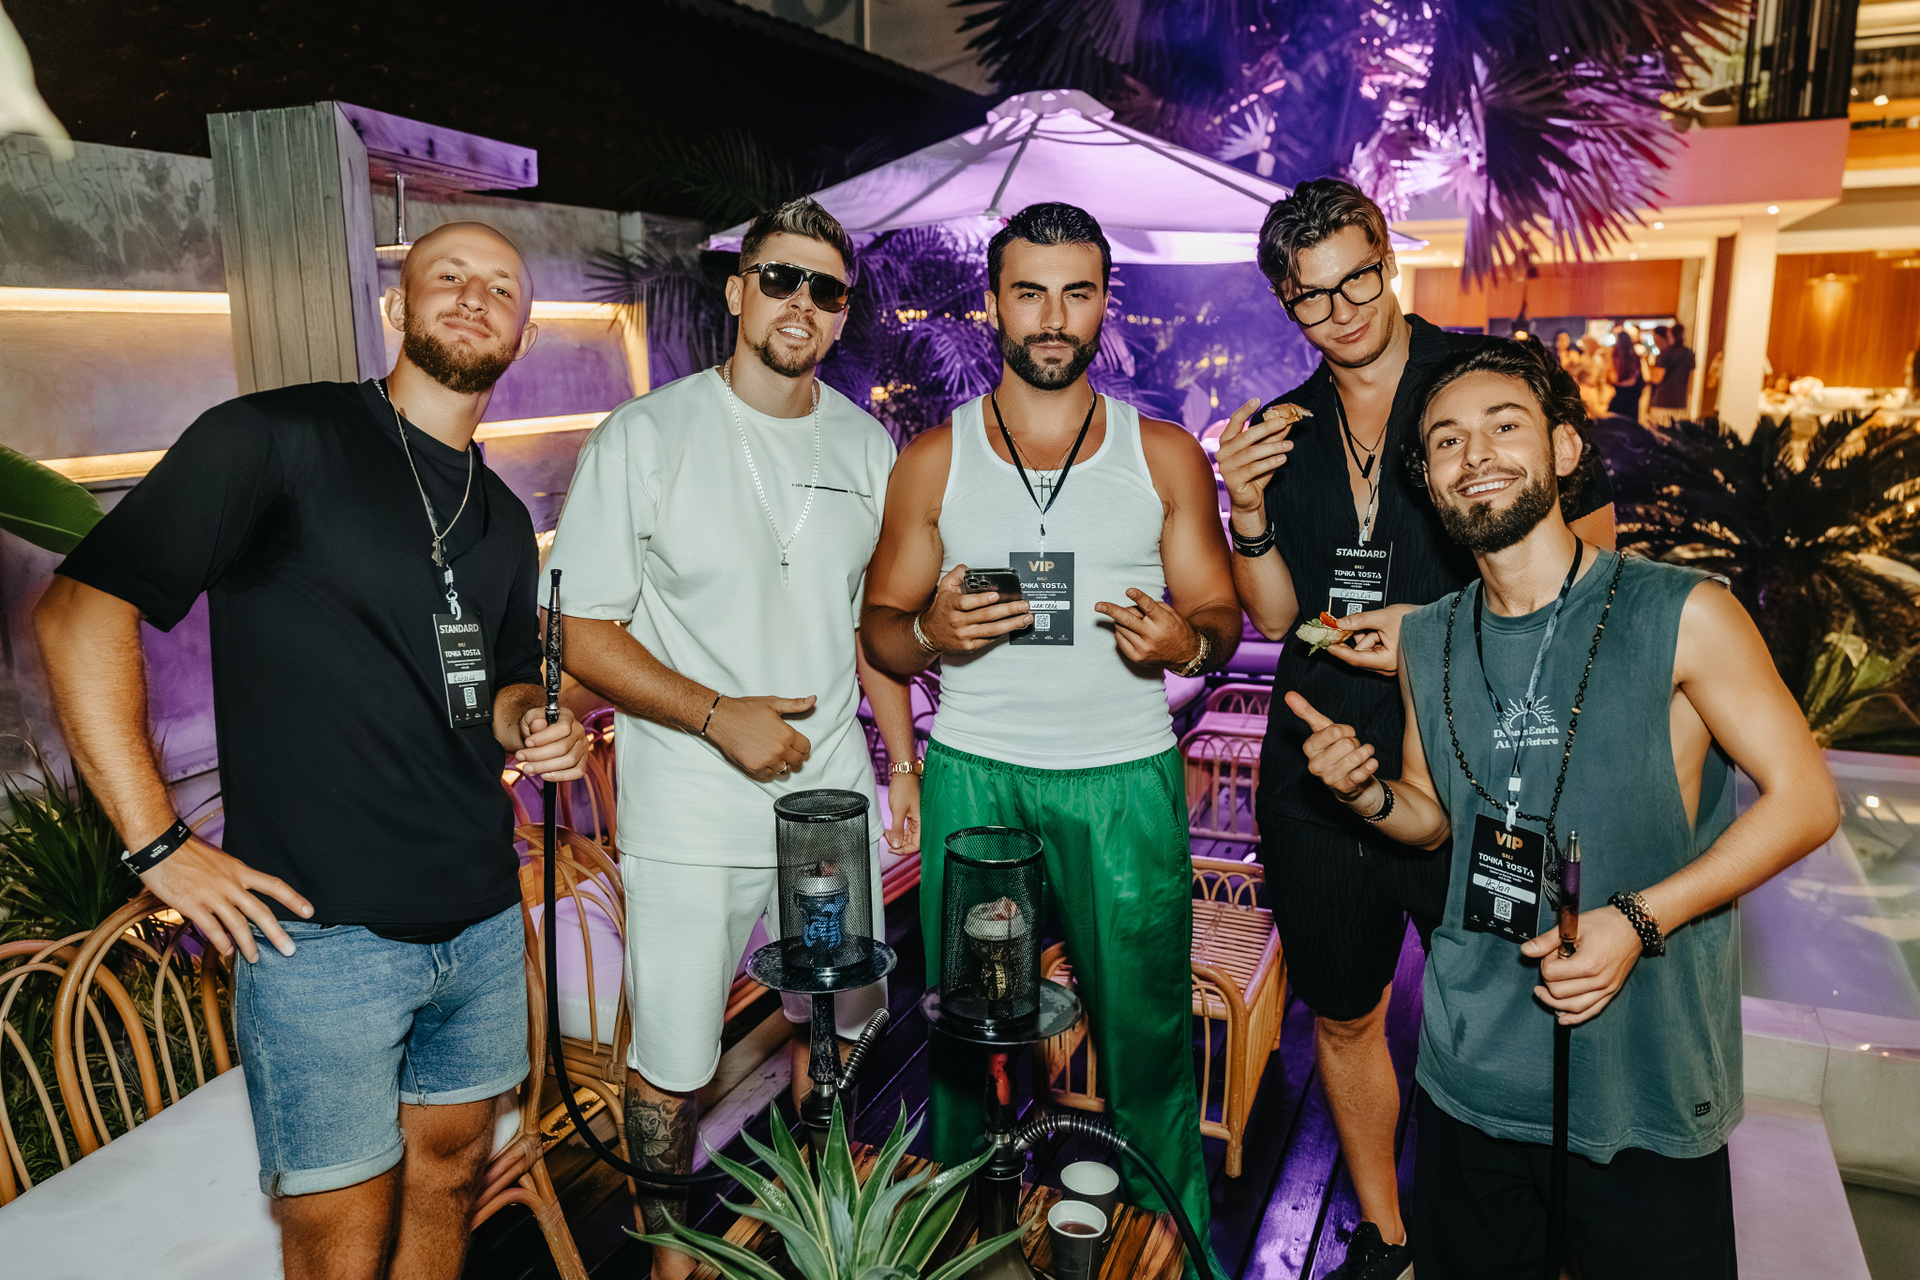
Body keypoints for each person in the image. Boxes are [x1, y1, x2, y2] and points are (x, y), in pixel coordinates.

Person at [33, 222, 589, 1280]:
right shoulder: (276, 439)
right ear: (397, 306)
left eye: (501, 288)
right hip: (320, 937)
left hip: (480, 916)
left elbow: (508, 678)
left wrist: (531, 721)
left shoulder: (505, 517)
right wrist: (159, 846)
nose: (474, 297)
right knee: (337, 1239)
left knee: (452, 1179)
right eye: (448, 276)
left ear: (524, 332)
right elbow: (79, 611)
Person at [1289, 339, 1839, 1278]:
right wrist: (1367, 794)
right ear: (1427, 477)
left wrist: (1636, 920)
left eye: (1505, 426)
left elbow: (1807, 802)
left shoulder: (1684, 612)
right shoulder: (1428, 637)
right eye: (1447, 440)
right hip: (1469, 1078)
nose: (1477, 454)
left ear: (1565, 448)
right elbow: (1434, 817)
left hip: (1641, 1083)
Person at [1213, 178, 1615, 1280]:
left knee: (1504, 1015)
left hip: (1482, 767)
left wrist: (1439, 628)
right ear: (1284, 302)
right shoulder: (1279, 431)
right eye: (1312, 297)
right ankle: (1387, 1239)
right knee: (1345, 1016)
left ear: (1389, 257)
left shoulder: (1486, 385)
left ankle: (1503, 1242)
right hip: (1319, 766)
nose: (1342, 312)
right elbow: (1277, 619)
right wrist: (1245, 510)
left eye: (1358, 280)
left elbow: (1595, 569)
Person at [862, 201, 1239, 1280]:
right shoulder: (933, 459)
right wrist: (928, 634)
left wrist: (1188, 640)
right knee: (970, 1040)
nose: (1053, 315)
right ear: (995, 303)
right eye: (1030, 291)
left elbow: (1219, 613)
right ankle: (968, 1247)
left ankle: (1177, 1250)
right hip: (978, 778)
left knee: (1148, 1037)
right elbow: (879, 628)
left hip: (1123, 778)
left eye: (1077, 292)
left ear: (1103, 302)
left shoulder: (1161, 453)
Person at [543, 197, 917, 1280]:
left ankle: (823, 1226)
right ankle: (672, 1259)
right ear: (739, 290)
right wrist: (717, 715)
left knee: (834, 1032)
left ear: (842, 315)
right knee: (671, 1056)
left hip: (829, 802)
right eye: (782, 278)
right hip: (690, 808)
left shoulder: (867, 443)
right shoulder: (646, 436)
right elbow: (578, 628)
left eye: (827, 289)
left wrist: (901, 764)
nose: (803, 302)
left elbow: (873, 624)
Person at [1647, 323, 1696, 427]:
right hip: (1680, 403)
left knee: (1661, 433)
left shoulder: (1664, 355)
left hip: (1661, 402)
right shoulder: (1689, 353)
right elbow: (1691, 380)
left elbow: (1656, 378)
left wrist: (1649, 367)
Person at [1607, 323, 1644, 420]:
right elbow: (1635, 380)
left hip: (1618, 395)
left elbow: (1612, 376)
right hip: (1632, 397)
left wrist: (1617, 384)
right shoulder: (1635, 357)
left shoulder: (1614, 356)